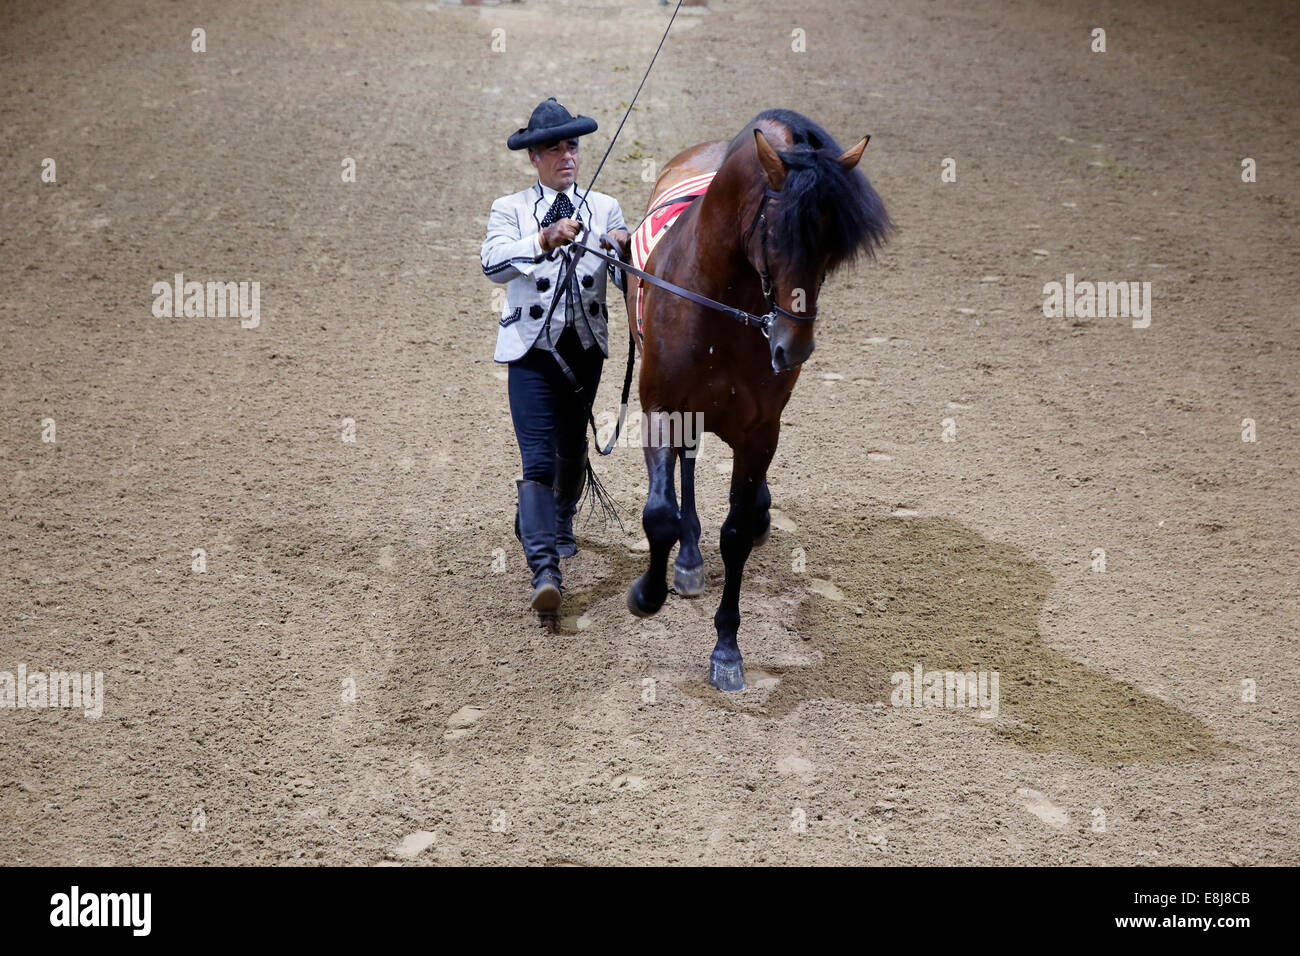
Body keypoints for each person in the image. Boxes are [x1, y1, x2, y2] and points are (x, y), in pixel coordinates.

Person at [481, 97, 631, 617]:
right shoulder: (512, 208)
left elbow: (623, 278)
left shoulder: (605, 207)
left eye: (573, 146)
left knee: (572, 449)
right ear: (534, 158)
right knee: (538, 459)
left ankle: (561, 517)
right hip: (530, 353)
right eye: (555, 148)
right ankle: (545, 570)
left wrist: (622, 248)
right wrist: (543, 238)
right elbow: (493, 263)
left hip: (585, 351)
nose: (567, 155)